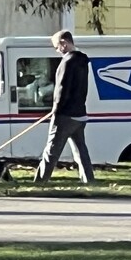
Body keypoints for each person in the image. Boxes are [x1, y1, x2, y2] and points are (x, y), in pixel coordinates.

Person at [35, 29, 95, 183]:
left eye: (57, 47)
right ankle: (89, 180)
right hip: (80, 114)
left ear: (64, 43)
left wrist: (56, 109)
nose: (57, 50)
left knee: (51, 150)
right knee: (81, 151)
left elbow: (62, 88)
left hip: (65, 115)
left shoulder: (67, 62)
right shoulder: (83, 61)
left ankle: (40, 182)